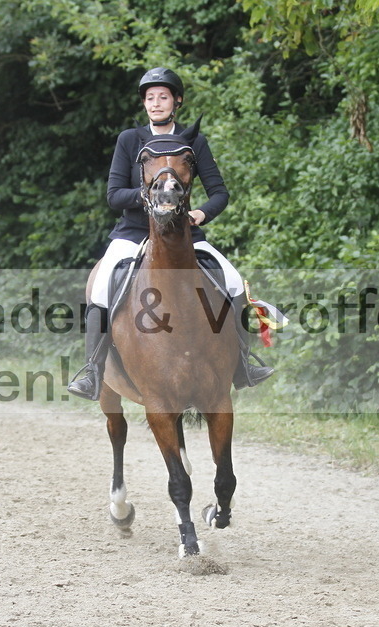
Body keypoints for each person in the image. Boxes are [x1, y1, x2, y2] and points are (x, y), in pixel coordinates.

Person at [67, 67, 274, 400]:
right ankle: (92, 370)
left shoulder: (193, 141)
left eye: (163, 96)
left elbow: (219, 192)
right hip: (134, 232)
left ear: (176, 100)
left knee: (233, 280)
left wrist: (201, 212)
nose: (156, 103)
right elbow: (113, 195)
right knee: (102, 286)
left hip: (183, 234)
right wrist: (152, 197)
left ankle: (245, 364)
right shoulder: (129, 140)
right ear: (144, 104)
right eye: (150, 98)